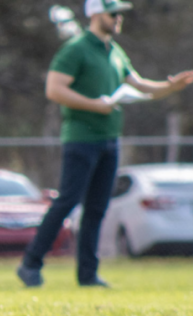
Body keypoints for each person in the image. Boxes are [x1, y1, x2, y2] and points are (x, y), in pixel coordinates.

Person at [17, 0, 193, 288]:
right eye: (114, 13)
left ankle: (87, 274)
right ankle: (30, 264)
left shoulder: (114, 51)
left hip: (109, 140)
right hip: (81, 140)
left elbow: (137, 83)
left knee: (98, 207)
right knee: (67, 202)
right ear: (96, 14)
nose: (119, 18)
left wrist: (169, 87)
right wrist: (92, 105)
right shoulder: (76, 49)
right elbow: (54, 89)